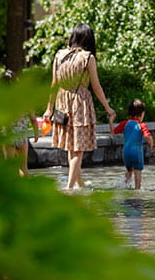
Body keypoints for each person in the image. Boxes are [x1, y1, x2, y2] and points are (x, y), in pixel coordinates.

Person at [43, 24, 116, 189]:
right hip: (80, 104)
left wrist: (49, 108)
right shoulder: (87, 58)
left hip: (62, 102)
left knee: (71, 146)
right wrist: (108, 108)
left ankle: (79, 183)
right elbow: (96, 87)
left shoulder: (60, 55)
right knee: (78, 149)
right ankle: (69, 188)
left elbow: (53, 84)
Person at [0, 68, 39, 177]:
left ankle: (11, 190)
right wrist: (36, 134)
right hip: (22, 137)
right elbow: (33, 118)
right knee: (24, 167)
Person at [112, 98, 154, 189]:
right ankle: (137, 190)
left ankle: (124, 187)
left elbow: (113, 131)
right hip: (136, 152)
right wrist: (151, 142)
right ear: (141, 114)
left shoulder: (125, 123)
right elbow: (147, 136)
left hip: (125, 152)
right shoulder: (141, 125)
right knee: (138, 171)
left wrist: (110, 121)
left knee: (129, 171)